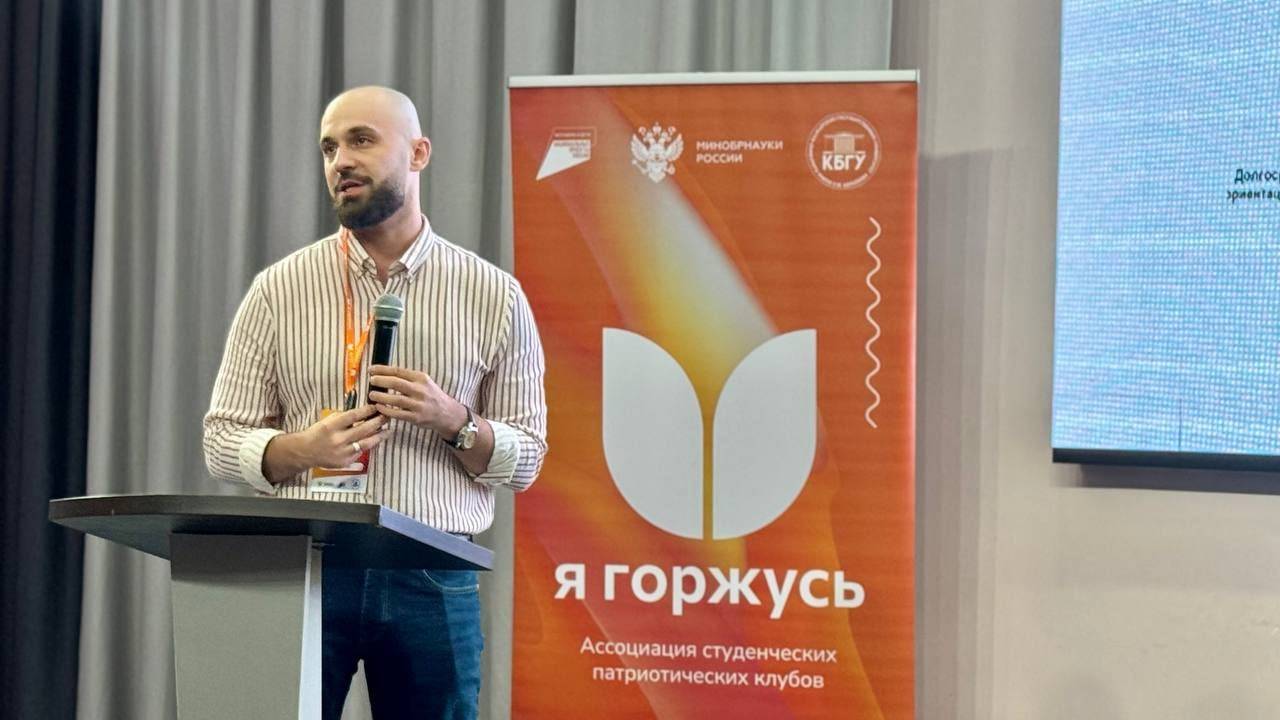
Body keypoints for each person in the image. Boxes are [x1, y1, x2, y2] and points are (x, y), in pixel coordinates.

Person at [203, 85, 547, 720]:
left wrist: (453, 420)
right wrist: (300, 449)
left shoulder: (493, 296)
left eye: (361, 140)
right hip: (307, 565)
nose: (341, 161)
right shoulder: (278, 290)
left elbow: (526, 460)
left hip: (431, 570)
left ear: (418, 153)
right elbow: (221, 438)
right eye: (329, 147)